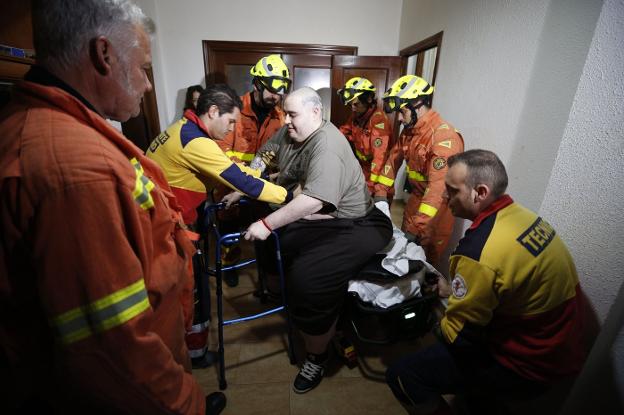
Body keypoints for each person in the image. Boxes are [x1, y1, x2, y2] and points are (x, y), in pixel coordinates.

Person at [0, 0, 225, 413]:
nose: (148, 84)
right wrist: (186, 404)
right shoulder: (77, 170)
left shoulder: (50, 128)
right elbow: (111, 349)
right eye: (142, 68)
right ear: (103, 55)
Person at [386, 150, 586, 414]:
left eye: (452, 190)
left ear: (479, 193)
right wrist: (453, 290)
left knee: (403, 375)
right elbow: (503, 285)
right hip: (562, 348)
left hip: (526, 367)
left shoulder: (479, 251)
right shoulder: (524, 217)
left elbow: (458, 338)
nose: (444, 197)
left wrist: (433, 320)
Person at [244, 87, 393, 394]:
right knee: (277, 241)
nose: (286, 120)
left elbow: (313, 200)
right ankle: (280, 296)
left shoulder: (326, 144)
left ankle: (317, 356)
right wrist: (246, 183)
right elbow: (269, 155)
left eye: (292, 114)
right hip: (328, 216)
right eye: (285, 113)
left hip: (358, 223)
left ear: (316, 113)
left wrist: (266, 223)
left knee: (308, 278)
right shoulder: (295, 133)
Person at [146, 83, 293, 367]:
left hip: (171, 219)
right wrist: (287, 195)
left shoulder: (183, 129)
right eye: (230, 122)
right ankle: (191, 357)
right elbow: (242, 181)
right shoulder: (196, 142)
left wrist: (268, 179)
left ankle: (190, 352)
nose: (231, 129)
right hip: (170, 228)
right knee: (192, 290)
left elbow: (233, 169)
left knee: (192, 288)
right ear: (213, 111)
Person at [216, 54, 292, 287]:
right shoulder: (234, 110)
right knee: (228, 229)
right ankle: (229, 266)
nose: (276, 97)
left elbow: (278, 154)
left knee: (265, 229)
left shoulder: (279, 116)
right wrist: (243, 181)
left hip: (263, 184)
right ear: (257, 84)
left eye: (280, 92)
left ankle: (266, 273)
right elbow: (221, 152)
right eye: (271, 91)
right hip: (231, 183)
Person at [380, 75, 464, 267]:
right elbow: (392, 161)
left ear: (417, 104)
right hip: (415, 202)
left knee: (424, 262)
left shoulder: (444, 137)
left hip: (436, 210)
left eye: (402, 112)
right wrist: (380, 195)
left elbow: (437, 190)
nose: (399, 119)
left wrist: (417, 227)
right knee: (402, 256)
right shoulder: (410, 131)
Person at [337, 76, 394, 201]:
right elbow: (343, 132)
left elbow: (379, 159)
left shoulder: (379, 121)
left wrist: (371, 187)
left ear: (368, 99)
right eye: (351, 104)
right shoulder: (357, 115)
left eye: (356, 104)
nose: (353, 108)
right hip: (363, 171)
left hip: (377, 177)